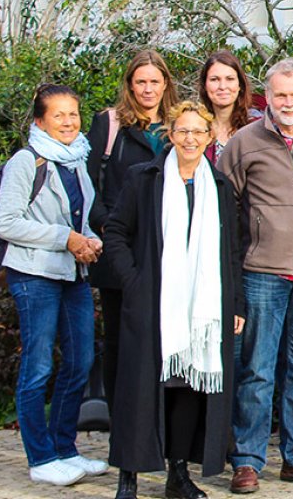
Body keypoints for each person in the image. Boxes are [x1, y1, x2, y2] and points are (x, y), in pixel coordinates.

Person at [104, 102, 247, 499]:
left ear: (208, 137)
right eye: (182, 131)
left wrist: (236, 304)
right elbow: (114, 232)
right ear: (171, 135)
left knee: (188, 384)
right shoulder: (144, 179)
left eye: (198, 132)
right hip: (153, 301)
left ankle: (178, 475)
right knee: (141, 386)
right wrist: (134, 281)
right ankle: (128, 476)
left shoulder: (218, 187)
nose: (190, 139)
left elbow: (230, 252)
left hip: (202, 306)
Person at [218, 58, 293, 493]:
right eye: (280, 95)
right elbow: (226, 203)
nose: (289, 103)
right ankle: (248, 459)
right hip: (261, 271)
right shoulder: (243, 142)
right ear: (266, 97)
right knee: (257, 369)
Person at [0, 84, 106, 486]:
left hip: (71, 274)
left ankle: (64, 448)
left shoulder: (76, 160)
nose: (68, 122)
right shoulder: (27, 161)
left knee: (80, 361)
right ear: (39, 120)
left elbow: (81, 218)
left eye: (73, 114)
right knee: (38, 366)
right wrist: (66, 238)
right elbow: (5, 222)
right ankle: (40, 458)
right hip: (33, 275)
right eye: (58, 115)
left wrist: (89, 239)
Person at [87, 49, 179, 426]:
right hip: (120, 250)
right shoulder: (109, 125)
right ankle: (121, 422)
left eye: (154, 81)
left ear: (165, 85)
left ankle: (155, 422)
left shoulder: (176, 127)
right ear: (129, 85)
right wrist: (108, 229)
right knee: (120, 339)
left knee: (160, 337)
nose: (147, 89)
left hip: (165, 249)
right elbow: (88, 184)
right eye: (140, 81)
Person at [198, 50, 253, 163]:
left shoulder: (256, 129)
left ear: (240, 85)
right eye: (214, 79)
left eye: (230, 79)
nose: (222, 86)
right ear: (205, 86)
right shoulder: (195, 129)